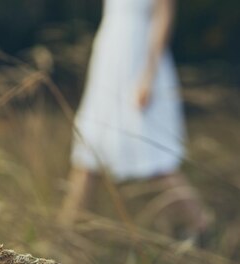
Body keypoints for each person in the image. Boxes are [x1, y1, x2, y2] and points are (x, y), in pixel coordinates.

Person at [58, 0, 211, 238]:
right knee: (89, 150)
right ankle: (65, 237)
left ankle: (200, 225)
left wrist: (148, 77)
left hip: (138, 64)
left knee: (156, 157)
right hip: (109, 61)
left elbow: (163, 18)